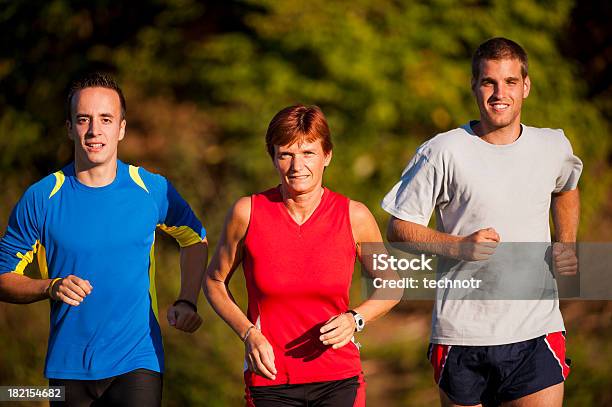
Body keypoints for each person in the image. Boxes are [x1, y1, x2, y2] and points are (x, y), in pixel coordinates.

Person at [382, 37, 582, 407]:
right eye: (488, 82)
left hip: (535, 330)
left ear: (526, 86)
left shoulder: (552, 146)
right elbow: (398, 228)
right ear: (474, 85)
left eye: (509, 82)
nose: (498, 93)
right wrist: (459, 246)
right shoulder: (442, 150)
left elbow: (567, 188)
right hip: (462, 333)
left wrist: (566, 240)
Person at [0, 72, 208, 406]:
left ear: (121, 128)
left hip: (138, 360)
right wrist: (49, 286)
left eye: (106, 119)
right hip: (67, 368)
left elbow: (196, 239)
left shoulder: (152, 190)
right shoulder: (42, 197)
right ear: (70, 128)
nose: (95, 131)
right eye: (84, 120)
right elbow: (3, 278)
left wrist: (187, 299)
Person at [204, 105, 399, 407]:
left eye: (308, 153)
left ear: (327, 156)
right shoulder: (248, 212)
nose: (297, 166)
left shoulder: (354, 215)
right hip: (269, 379)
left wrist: (355, 319)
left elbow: (391, 284)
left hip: (339, 378)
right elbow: (215, 282)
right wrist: (248, 334)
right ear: (272, 157)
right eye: (286, 154)